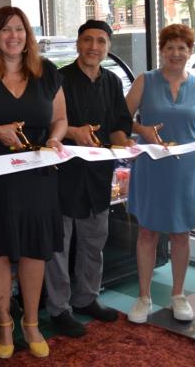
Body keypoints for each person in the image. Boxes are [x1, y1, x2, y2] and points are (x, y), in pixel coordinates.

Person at [0, 6, 68, 359]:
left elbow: (61, 119)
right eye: (5, 30)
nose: (13, 36)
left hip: (37, 173)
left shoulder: (47, 72)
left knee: (34, 249)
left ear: (28, 35)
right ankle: (5, 324)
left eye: (19, 29)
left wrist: (56, 139)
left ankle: (32, 323)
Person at [124, 23, 195, 324]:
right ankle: (144, 296)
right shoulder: (145, 81)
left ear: (189, 52)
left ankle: (178, 295)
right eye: (169, 47)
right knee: (147, 232)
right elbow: (121, 116)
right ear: (161, 50)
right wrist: (142, 129)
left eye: (181, 48)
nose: (175, 53)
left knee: (181, 234)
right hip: (151, 166)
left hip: (186, 169)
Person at [44, 20, 134, 336]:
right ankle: (59, 308)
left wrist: (125, 141)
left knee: (94, 242)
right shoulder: (58, 78)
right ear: (78, 44)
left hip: (98, 176)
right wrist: (73, 132)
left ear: (108, 47)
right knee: (60, 246)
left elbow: (120, 123)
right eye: (87, 40)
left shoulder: (111, 81)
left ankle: (87, 298)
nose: (93, 47)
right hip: (63, 174)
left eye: (100, 41)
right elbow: (46, 121)